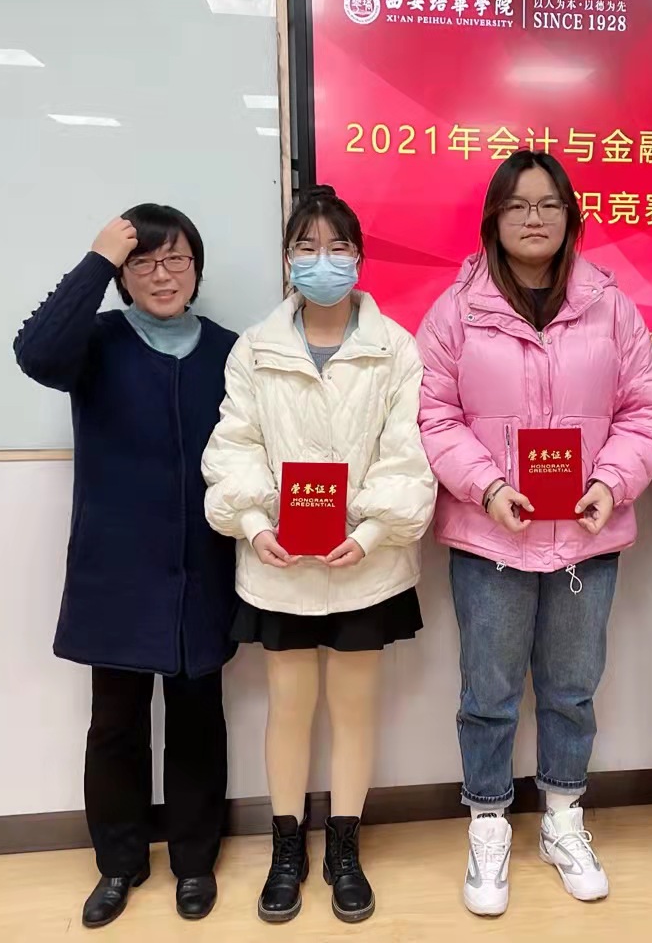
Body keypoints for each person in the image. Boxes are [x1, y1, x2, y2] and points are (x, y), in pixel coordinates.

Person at [416, 149, 652, 917]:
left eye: (549, 204)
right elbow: (434, 415)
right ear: (494, 217)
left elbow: (644, 412)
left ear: (570, 217)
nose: (534, 218)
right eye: (518, 205)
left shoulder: (612, 307)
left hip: (586, 537)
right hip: (490, 536)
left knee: (571, 690)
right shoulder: (455, 311)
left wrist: (609, 484)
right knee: (487, 693)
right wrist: (487, 486)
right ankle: (488, 822)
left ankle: (562, 817)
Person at [201, 186, 436, 925]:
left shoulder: (396, 347)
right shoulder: (254, 348)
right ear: (286, 260)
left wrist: (369, 533)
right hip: (279, 564)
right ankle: (286, 848)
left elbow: (408, 455)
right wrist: (252, 521)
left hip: (366, 564)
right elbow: (234, 445)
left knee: (356, 710)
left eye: (337, 248)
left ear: (359, 259)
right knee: (289, 708)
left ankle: (344, 846)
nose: (322, 261)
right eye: (306, 247)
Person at [13, 206, 237, 928]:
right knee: (115, 722)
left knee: (198, 717)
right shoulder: (96, 341)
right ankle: (119, 862)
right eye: (143, 263)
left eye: (176, 261)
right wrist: (96, 260)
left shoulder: (230, 352)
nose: (162, 275)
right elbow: (35, 354)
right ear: (122, 275)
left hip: (202, 564)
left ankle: (195, 861)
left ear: (196, 270)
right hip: (117, 568)